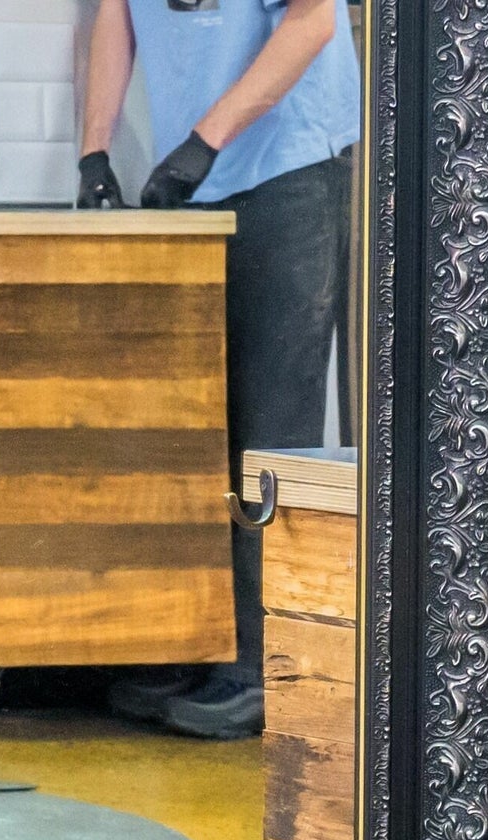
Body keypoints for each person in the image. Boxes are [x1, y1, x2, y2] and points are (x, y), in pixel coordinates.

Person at [78, 0, 357, 739]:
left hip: (290, 171)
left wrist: (205, 140)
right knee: (194, 427)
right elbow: (116, 13)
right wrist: (94, 150)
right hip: (196, 179)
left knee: (271, 430)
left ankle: (265, 666)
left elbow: (313, 22)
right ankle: (199, 645)